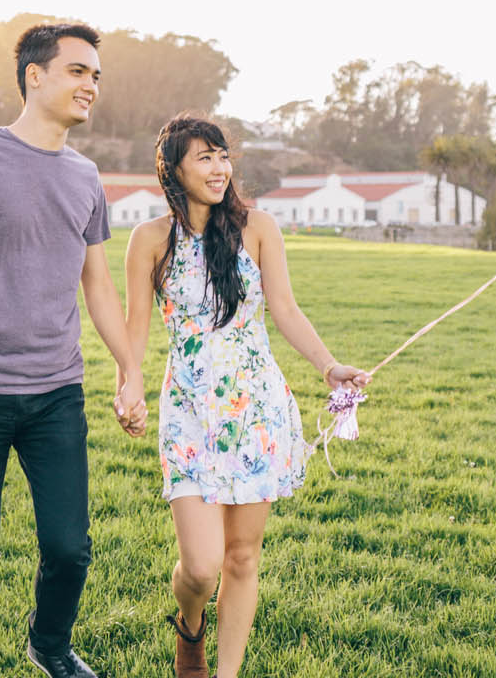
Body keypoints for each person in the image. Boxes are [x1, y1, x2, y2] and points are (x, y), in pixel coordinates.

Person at [0, 22, 148, 678]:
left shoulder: (85, 176)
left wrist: (130, 370)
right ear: (34, 76)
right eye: (77, 71)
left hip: (55, 396)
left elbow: (96, 285)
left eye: (96, 74)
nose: (90, 85)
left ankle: (49, 641)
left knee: (70, 549)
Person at [122, 114, 370, 678]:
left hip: (256, 407)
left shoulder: (258, 227)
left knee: (241, 556)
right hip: (188, 409)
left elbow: (283, 307)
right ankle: (190, 627)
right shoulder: (150, 240)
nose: (218, 168)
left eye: (222, 155)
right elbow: (137, 323)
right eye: (203, 157)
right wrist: (127, 381)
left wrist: (328, 367)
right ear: (173, 169)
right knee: (202, 566)